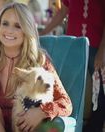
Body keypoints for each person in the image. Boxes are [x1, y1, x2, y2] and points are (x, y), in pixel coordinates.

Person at [0, 2, 72, 132]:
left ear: (26, 30)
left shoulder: (39, 61)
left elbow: (65, 103)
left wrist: (41, 112)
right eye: (5, 23)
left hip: (21, 127)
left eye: (17, 26)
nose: (9, 30)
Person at [40, 0, 105, 131]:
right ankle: (71, 124)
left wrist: (102, 51)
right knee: (69, 87)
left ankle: (95, 128)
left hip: (96, 47)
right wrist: (43, 33)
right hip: (72, 46)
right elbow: (63, 11)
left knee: (98, 93)